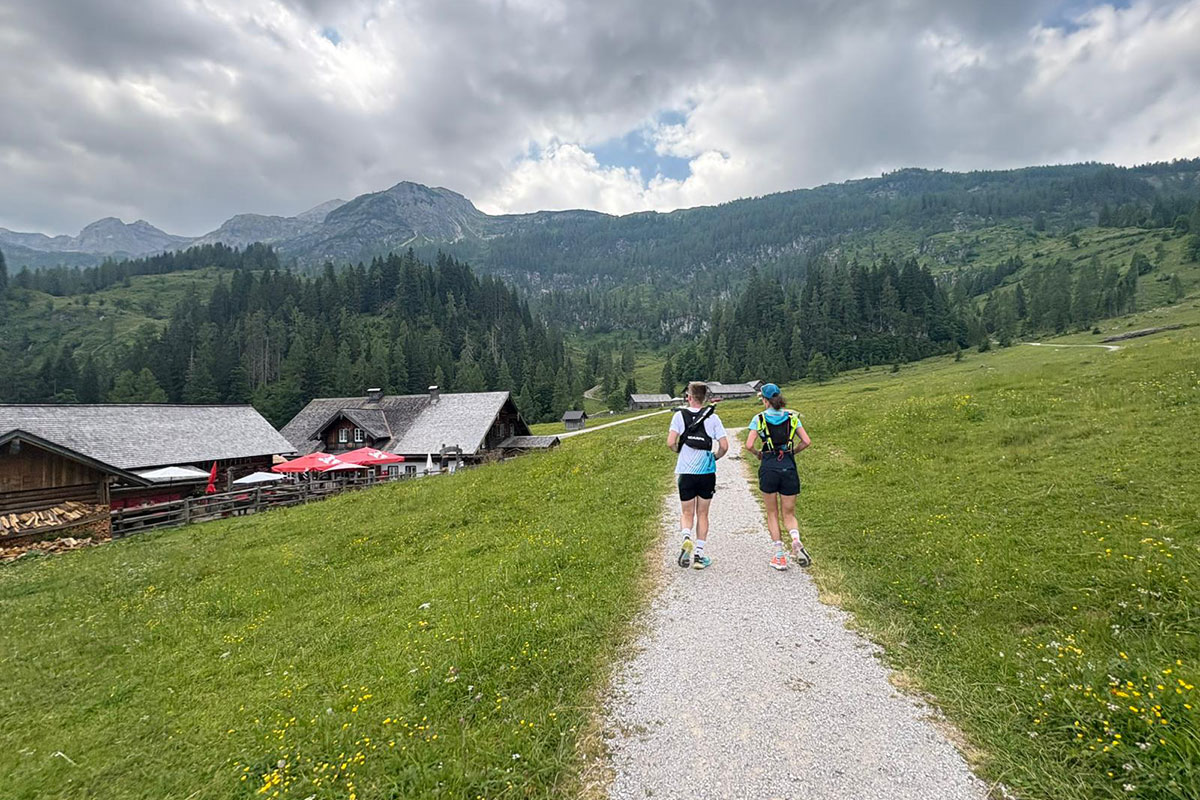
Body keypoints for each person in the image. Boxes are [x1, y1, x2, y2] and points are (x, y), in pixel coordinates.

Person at [744, 383, 812, 570]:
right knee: (788, 513)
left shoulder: (759, 419)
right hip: (788, 466)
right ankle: (796, 540)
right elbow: (806, 441)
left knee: (772, 512)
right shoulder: (792, 418)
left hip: (769, 466)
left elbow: (749, 444)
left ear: (764, 401)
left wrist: (759, 454)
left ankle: (779, 556)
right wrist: (793, 452)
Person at [667, 381, 729, 570]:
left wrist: (680, 451)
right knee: (703, 513)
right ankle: (699, 555)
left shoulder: (679, 416)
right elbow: (724, 446)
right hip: (706, 472)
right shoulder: (713, 418)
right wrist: (714, 457)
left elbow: (670, 442)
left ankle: (686, 537)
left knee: (687, 512)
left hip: (686, 471)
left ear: (689, 397)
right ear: (704, 398)